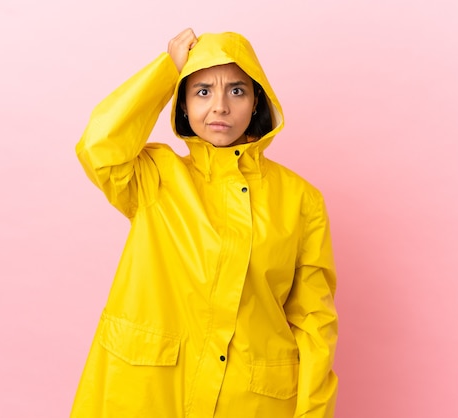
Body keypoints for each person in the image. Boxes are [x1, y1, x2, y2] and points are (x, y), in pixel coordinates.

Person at [71, 28, 338, 417]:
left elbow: (314, 321)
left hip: (250, 401)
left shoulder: (301, 199)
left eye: (236, 90)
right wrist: (168, 70)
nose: (220, 107)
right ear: (182, 105)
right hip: (148, 392)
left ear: (256, 102)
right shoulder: (153, 176)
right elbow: (98, 145)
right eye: (202, 91)